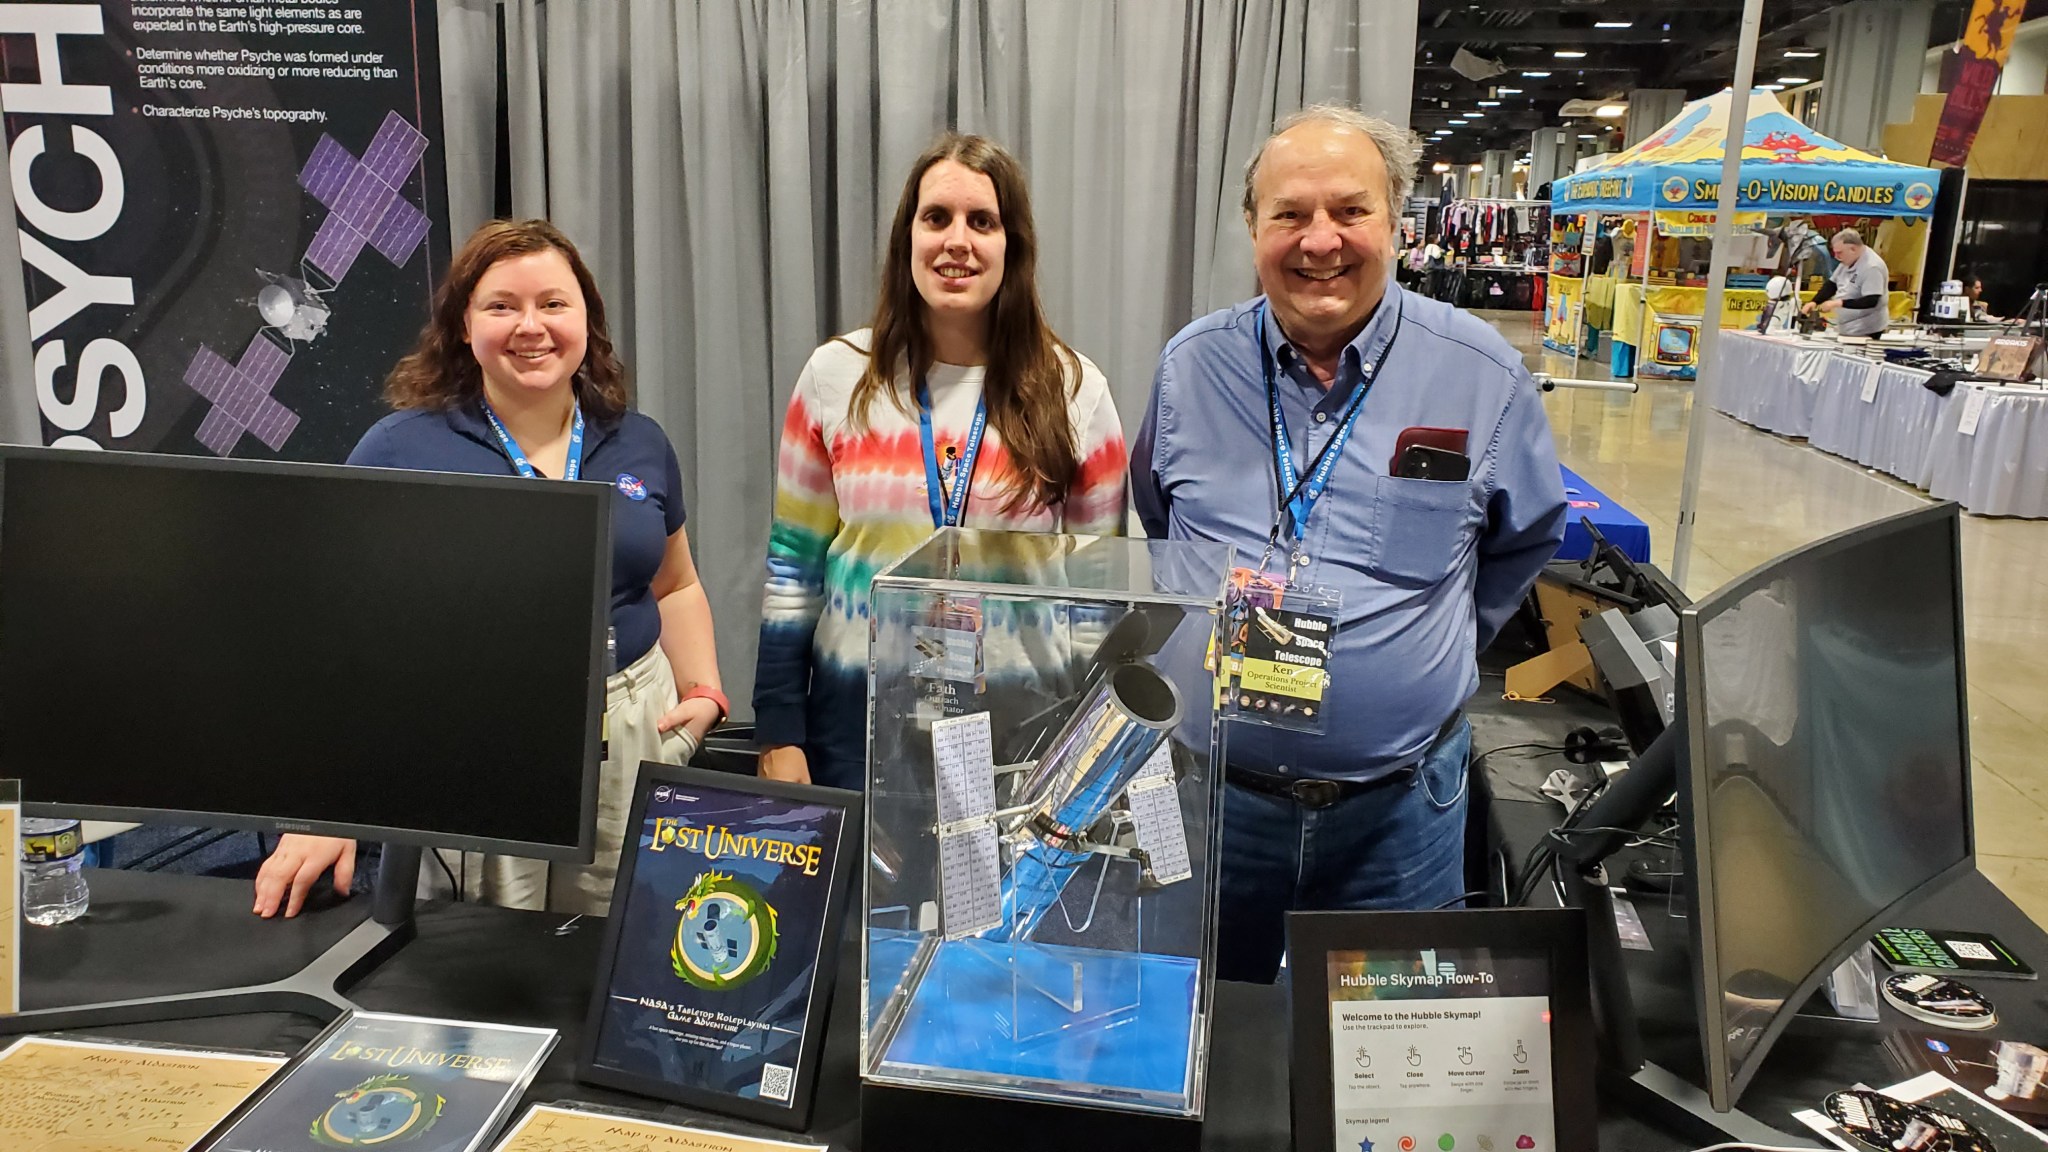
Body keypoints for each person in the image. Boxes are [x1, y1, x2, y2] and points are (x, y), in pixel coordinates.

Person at [1131, 105, 1567, 984]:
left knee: (1382, 1085)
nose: (1319, 241)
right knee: (1203, 1051)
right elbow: (1161, 520)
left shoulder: (1480, 373)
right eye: (1289, 214)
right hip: (1216, 804)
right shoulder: (1191, 366)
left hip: (1399, 816)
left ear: (1396, 223)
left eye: (1349, 211)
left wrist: (1429, 648)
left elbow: (1525, 541)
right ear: (1252, 229)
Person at [252, 219, 724, 919]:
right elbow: (340, 635)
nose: (530, 326)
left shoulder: (639, 442)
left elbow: (676, 583)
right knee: (482, 952)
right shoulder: (399, 451)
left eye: (554, 304)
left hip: (630, 727)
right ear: (462, 325)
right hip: (478, 733)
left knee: (623, 937)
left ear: (587, 320)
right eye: (502, 306)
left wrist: (705, 692)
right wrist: (326, 807)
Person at [753, 134, 1129, 791]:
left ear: (1011, 246)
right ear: (907, 239)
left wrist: (1083, 757)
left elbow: (1099, 600)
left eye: (982, 221)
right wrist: (779, 733)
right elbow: (793, 568)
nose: (958, 240)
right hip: (855, 728)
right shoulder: (837, 376)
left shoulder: (1076, 391)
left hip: (1022, 739)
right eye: (937, 218)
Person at [1802, 228, 1890, 337]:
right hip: (1847, 327)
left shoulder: (1872, 267)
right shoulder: (1847, 261)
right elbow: (1831, 284)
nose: (1836, 257)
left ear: (1853, 249)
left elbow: (1871, 300)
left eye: (1839, 253)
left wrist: (1838, 303)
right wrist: (1815, 302)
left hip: (1867, 330)